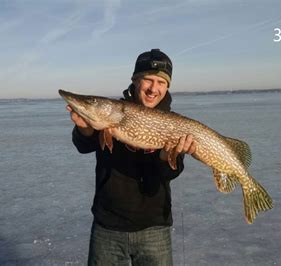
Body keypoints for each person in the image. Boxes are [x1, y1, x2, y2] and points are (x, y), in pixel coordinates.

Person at [66, 48, 196, 265]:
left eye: (161, 82)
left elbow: (172, 172)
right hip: (108, 226)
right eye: (148, 80)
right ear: (136, 81)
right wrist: (85, 129)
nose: (154, 88)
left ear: (167, 87)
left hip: (154, 228)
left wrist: (166, 157)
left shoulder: (173, 123)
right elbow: (84, 145)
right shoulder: (112, 113)